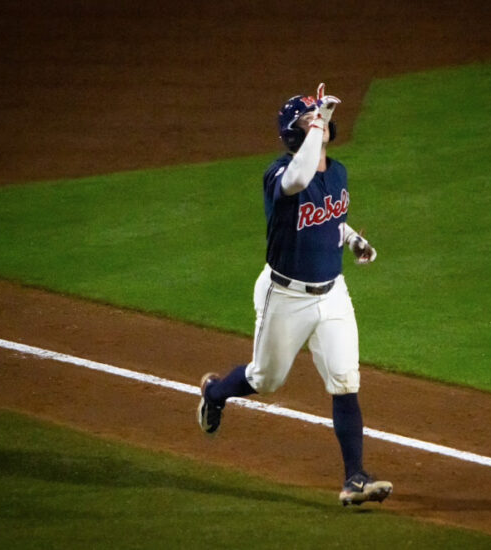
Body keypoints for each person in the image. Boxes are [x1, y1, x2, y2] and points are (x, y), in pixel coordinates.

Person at [197, 83, 392, 506]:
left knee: (345, 381)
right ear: (295, 135)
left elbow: (331, 219)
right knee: (267, 380)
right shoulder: (278, 175)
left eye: (319, 120)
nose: (319, 124)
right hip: (285, 296)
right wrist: (316, 124)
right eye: (308, 121)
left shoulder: (337, 172)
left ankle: (354, 478)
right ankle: (214, 393)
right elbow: (301, 178)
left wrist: (355, 239)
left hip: (332, 294)